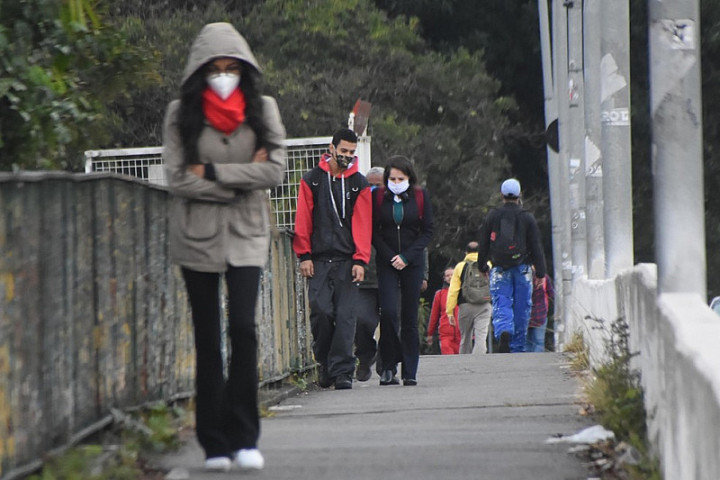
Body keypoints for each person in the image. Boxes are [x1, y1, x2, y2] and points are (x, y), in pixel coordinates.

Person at [163, 22, 286, 472]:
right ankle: (213, 442)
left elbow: (275, 170)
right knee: (208, 340)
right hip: (196, 237)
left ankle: (245, 435)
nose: (223, 74)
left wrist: (212, 174)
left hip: (248, 235)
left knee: (244, 331)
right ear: (199, 71)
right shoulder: (180, 113)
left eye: (231, 67)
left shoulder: (262, 108)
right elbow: (177, 178)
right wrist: (239, 181)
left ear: (244, 68)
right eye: (214, 68)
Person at [293, 128, 372, 391]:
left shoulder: (359, 183)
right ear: (332, 148)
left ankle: (343, 372)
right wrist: (303, 254)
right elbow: (303, 219)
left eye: (352, 152)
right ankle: (325, 363)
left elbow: (362, 224)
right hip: (318, 259)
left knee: (346, 315)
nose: (347, 156)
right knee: (322, 312)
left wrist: (361, 260)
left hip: (348, 260)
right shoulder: (312, 180)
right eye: (344, 151)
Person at [372, 156, 433, 386]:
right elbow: (373, 231)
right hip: (387, 262)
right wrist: (391, 257)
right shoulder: (378, 197)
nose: (396, 182)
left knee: (409, 317)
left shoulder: (420, 196)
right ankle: (388, 366)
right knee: (388, 313)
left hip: (412, 262)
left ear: (409, 178)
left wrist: (407, 257)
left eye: (401, 178)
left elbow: (427, 231)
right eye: (392, 178)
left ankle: (410, 370)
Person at [477, 178, 547, 353]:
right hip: (522, 267)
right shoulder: (527, 217)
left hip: (499, 267)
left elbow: (484, 241)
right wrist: (540, 272)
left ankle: (504, 330)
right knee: (522, 307)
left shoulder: (493, 215)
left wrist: (482, 265)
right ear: (519, 195)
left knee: (502, 301)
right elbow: (536, 245)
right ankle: (517, 346)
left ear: (502, 195)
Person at [354, 166, 384, 381]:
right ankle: (365, 357)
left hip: (391, 277)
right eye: (370, 185)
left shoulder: (398, 207)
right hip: (364, 280)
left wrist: (423, 274)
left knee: (393, 323)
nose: (373, 189)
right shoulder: (356, 209)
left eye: (378, 185)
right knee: (362, 322)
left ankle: (386, 362)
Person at [446, 242, 492, 354]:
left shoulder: (460, 266)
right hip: (484, 304)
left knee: (465, 338)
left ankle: (465, 365)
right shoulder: (488, 264)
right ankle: (479, 364)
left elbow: (453, 290)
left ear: (466, 252)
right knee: (481, 337)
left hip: (465, 305)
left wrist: (450, 311)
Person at [426, 268, 461, 354]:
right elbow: (434, 315)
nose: (450, 277)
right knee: (448, 359)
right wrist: (430, 333)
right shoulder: (440, 294)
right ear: (444, 278)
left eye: (452, 275)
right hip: (445, 333)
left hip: (461, 332)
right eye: (447, 275)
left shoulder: (462, 292)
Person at [526, 270, 554, 352]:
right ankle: (536, 363)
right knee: (539, 342)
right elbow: (551, 294)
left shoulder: (521, 277)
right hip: (540, 314)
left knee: (526, 343)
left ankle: (525, 362)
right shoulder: (544, 278)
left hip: (524, 315)